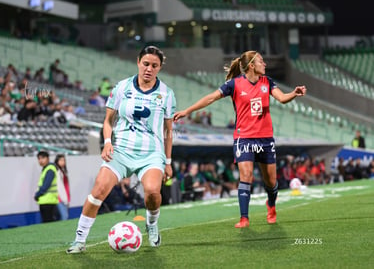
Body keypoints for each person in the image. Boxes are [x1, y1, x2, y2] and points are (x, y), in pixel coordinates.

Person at [173, 50, 306, 228]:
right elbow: (211, 98)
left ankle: (271, 205)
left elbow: (282, 98)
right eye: (261, 61)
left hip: (265, 139)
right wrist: (187, 111)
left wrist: (294, 94)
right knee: (246, 175)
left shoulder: (268, 82)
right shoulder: (234, 84)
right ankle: (244, 218)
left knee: (271, 182)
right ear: (251, 65)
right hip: (244, 138)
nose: (264, 64)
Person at [66, 45, 176, 254]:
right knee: (98, 190)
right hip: (121, 151)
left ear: (159, 68)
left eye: (154, 65)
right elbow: (108, 120)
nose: (149, 69)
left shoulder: (167, 94)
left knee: (153, 192)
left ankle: (152, 225)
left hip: (151, 154)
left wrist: (168, 162)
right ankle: (79, 240)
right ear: (138, 62)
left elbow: (168, 131)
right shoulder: (121, 87)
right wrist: (108, 142)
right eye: (146, 64)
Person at [34, 151, 59, 223]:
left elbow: (46, 185)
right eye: (39, 159)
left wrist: (37, 194)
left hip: (48, 201)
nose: (40, 161)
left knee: (48, 223)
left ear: (48, 158)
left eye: (43, 158)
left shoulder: (50, 169)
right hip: (47, 200)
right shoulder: (46, 169)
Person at [55, 154, 71, 220]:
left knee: (64, 217)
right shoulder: (57, 172)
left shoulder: (63, 172)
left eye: (64, 160)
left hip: (65, 197)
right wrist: (64, 199)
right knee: (64, 216)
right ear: (57, 161)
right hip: (60, 198)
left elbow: (66, 186)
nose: (63, 162)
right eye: (61, 160)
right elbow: (59, 186)